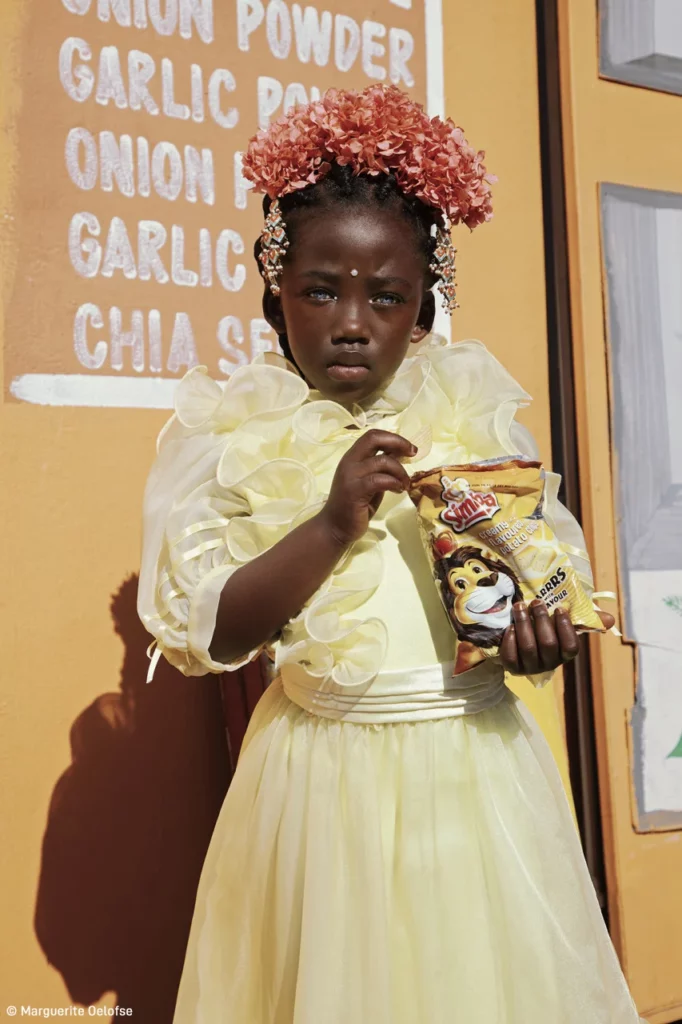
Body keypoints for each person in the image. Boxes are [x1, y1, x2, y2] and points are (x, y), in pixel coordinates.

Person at [138, 85, 642, 1023]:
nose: (353, 320)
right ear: (275, 294)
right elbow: (213, 632)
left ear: (423, 310)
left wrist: (540, 644)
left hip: (474, 766)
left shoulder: (469, 414)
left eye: (388, 295)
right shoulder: (227, 432)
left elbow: (543, 585)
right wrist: (332, 523)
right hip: (321, 778)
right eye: (320, 290)